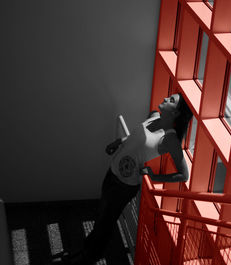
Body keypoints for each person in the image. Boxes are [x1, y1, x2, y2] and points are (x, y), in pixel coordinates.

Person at [51, 93, 192, 265]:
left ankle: (87, 258)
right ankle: (86, 250)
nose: (165, 99)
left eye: (171, 101)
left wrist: (154, 176)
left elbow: (184, 175)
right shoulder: (154, 116)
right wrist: (119, 142)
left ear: (176, 113)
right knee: (102, 215)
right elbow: (135, 138)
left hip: (124, 186)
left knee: (105, 222)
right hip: (112, 172)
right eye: (169, 97)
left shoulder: (169, 139)